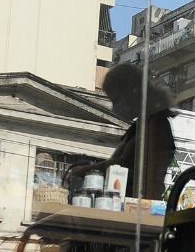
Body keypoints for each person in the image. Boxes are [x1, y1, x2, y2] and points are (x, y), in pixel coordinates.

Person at [67, 63, 175, 200]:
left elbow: (121, 164)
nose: (114, 107)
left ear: (132, 93)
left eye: (116, 99)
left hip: (140, 205)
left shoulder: (155, 125)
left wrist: (86, 171)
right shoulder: (143, 124)